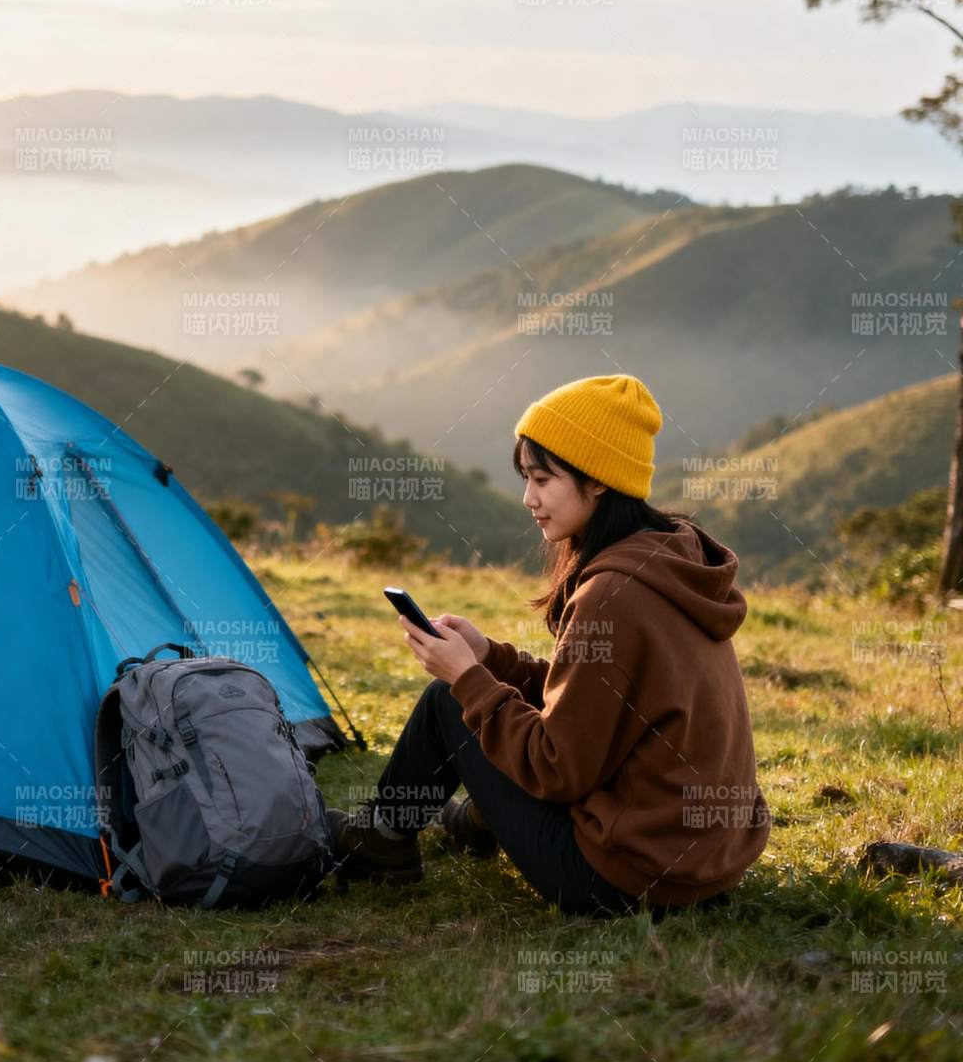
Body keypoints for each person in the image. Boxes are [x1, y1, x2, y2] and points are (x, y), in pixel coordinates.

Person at [326, 373, 771, 918]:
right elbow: (595, 697)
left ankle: (381, 842)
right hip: (708, 864)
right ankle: (473, 823)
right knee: (485, 693)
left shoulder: (612, 595)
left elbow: (556, 770)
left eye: (542, 478)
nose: (528, 498)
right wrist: (491, 657)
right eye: (525, 478)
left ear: (600, 480)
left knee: (448, 703)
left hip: (625, 881)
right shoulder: (671, 562)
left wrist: (467, 678)